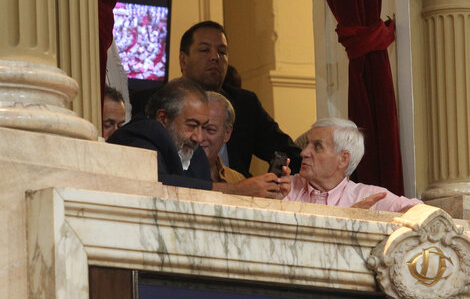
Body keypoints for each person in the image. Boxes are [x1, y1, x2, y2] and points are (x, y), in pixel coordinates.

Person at [108, 78, 290, 198]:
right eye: (192, 125)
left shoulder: (195, 156)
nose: (198, 137)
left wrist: (269, 195)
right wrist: (237, 190)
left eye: (204, 127)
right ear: (163, 118)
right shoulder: (138, 137)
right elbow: (154, 185)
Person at [179, 21, 301, 177]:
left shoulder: (245, 104)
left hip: (238, 196)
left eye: (222, 52)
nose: (215, 57)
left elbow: (285, 151)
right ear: (183, 60)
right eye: (204, 50)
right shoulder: (159, 101)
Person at [284, 118, 422, 212]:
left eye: (317, 146)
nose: (304, 152)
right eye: (307, 144)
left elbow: (424, 213)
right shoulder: (284, 187)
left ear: (343, 159)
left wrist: (361, 220)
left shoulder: (367, 197)